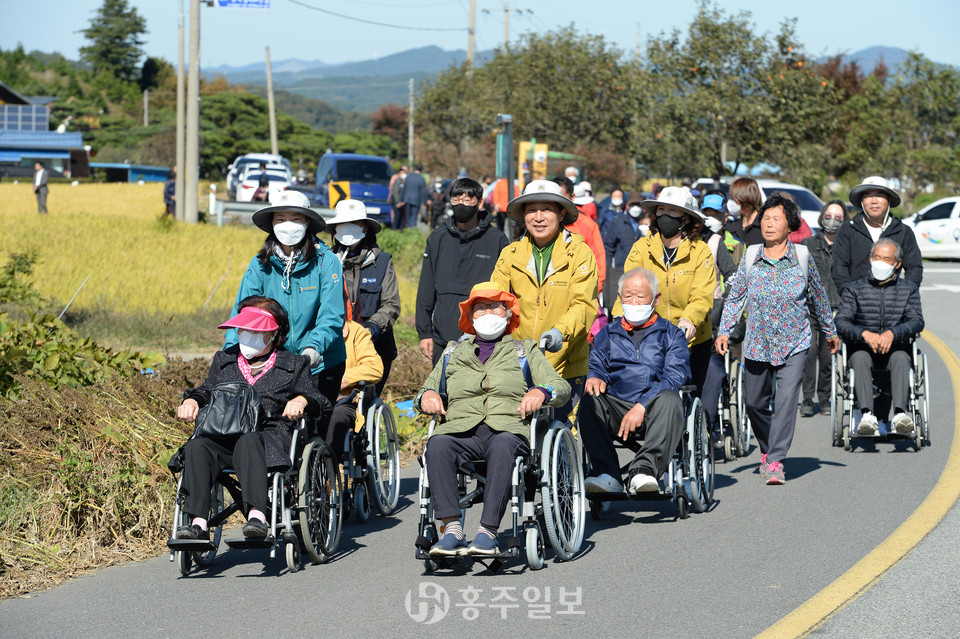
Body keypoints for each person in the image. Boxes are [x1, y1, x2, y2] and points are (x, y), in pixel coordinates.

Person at [418, 283, 570, 556]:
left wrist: (541, 390)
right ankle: (452, 531)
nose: (488, 313)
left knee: (502, 445)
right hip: (461, 429)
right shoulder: (453, 352)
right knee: (437, 445)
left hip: (508, 428)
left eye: (495, 307)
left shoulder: (525, 350)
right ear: (470, 316)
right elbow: (424, 391)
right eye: (480, 307)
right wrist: (427, 395)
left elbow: (561, 387)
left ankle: (487, 533)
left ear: (508, 314)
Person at [175, 296, 330, 540]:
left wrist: (301, 401)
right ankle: (198, 522)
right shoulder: (225, 360)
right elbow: (205, 390)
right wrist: (191, 401)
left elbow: (319, 401)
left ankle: (257, 516)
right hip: (225, 435)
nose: (245, 334)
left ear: (272, 333)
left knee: (248, 440)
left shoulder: (293, 363)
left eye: (253, 330)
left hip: (269, 437)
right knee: (196, 446)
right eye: (242, 329)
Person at [716, 193, 839, 485]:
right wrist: (725, 330)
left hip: (795, 341)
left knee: (785, 402)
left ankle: (775, 461)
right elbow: (736, 297)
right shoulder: (750, 255)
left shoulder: (802, 256)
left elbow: (818, 297)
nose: (769, 225)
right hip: (757, 343)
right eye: (766, 219)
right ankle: (767, 447)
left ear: (790, 225)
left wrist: (829, 331)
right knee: (754, 403)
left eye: (776, 219)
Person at [490, 180, 598, 424]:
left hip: (565, 361)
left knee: (563, 434)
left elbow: (583, 305)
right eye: (531, 210)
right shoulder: (510, 254)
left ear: (561, 213)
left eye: (546, 209)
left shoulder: (580, 253)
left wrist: (560, 332)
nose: (538, 217)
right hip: (519, 362)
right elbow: (496, 299)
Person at [227, 190, 346, 407]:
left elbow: (332, 314)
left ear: (307, 223)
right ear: (272, 223)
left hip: (320, 361)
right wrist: (229, 353)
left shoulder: (326, 263)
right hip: (275, 363)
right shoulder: (260, 264)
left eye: (296, 219)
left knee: (315, 427)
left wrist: (313, 349)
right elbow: (242, 314)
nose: (288, 225)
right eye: (281, 219)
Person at [579, 268, 690, 495]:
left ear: (656, 299)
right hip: (617, 405)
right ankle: (608, 474)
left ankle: (644, 470)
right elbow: (597, 364)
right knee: (589, 402)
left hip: (656, 407)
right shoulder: (607, 334)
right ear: (619, 298)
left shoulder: (672, 334)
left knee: (671, 399)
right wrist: (595, 376)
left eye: (641, 296)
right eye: (628, 296)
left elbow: (675, 376)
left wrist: (642, 405)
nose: (634, 301)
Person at [613, 187, 717, 399]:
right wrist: (618, 319)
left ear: (686, 218)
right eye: (661, 209)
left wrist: (689, 320)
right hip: (649, 338)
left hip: (691, 341)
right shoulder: (641, 248)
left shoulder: (700, 251)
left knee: (694, 398)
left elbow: (701, 295)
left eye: (673, 210)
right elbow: (626, 289)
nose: (665, 215)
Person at [834, 239, 924, 436]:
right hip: (862, 348)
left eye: (886, 259)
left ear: (897, 263)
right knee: (859, 358)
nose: (880, 263)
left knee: (901, 358)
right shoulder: (854, 289)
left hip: (896, 348)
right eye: (877, 258)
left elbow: (917, 321)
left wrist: (893, 333)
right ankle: (866, 414)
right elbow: (841, 322)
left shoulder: (908, 289)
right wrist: (864, 334)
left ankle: (900, 415)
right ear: (870, 259)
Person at [416, 177, 509, 365]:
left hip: (484, 336)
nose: (461, 204)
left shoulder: (497, 240)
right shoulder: (437, 239)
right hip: (443, 336)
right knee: (441, 391)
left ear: (479, 202)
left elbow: (506, 291)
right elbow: (426, 288)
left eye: (467, 200)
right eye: (456, 199)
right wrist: (425, 332)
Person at [326, 199, 400, 395]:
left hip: (374, 347)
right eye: (343, 224)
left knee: (364, 405)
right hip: (334, 347)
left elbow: (391, 304)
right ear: (335, 229)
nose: (348, 229)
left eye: (355, 223)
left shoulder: (382, 261)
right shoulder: (326, 262)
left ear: (365, 227)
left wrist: (371, 327)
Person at [695, 192, 740, 440]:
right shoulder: (661, 243)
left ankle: (705, 427)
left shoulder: (715, 242)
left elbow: (733, 277)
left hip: (711, 319)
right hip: (674, 325)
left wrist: (731, 311)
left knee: (713, 370)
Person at [832, 176, 923, 294]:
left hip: (893, 304)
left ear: (889, 200)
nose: (874, 201)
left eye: (880, 195)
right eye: (868, 196)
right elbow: (839, 266)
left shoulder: (903, 231)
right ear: (861, 201)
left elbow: (914, 267)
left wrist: (905, 295)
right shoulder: (848, 229)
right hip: (855, 303)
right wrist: (849, 295)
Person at [799, 200, 847, 417]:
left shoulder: (846, 246)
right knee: (808, 355)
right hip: (810, 309)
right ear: (821, 217)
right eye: (829, 216)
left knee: (828, 356)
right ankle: (807, 399)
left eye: (838, 217)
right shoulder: (808, 244)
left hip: (835, 308)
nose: (832, 221)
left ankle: (825, 399)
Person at [327, 307, 384, 460]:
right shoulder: (304, 332)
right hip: (313, 398)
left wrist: (344, 379)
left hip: (344, 400)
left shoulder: (356, 331)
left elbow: (375, 368)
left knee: (335, 418)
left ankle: (327, 474)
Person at [554, 176, 606, 297]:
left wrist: (592, 292)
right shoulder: (539, 225)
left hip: (580, 294)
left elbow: (598, 259)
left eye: (561, 197)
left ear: (572, 197)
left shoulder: (588, 225)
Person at [602, 192, 648, 316]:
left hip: (642, 270)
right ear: (627, 205)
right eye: (633, 204)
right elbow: (609, 247)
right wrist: (608, 271)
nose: (635, 208)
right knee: (620, 303)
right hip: (620, 269)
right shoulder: (618, 223)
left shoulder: (647, 222)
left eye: (638, 204)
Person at [724, 177, 764, 246]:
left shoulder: (765, 226)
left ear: (744, 197)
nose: (731, 202)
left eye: (734, 199)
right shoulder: (733, 227)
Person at [400, 164, 427, 230]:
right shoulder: (421, 179)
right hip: (416, 200)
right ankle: (412, 231)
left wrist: (402, 199)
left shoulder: (408, 177)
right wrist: (424, 203)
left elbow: (404, 189)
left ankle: (407, 230)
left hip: (407, 199)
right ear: (421, 170)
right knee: (414, 217)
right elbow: (423, 192)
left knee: (408, 217)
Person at [388, 165, 407, 229]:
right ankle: (394, 230)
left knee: (400, 218)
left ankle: (399, 231)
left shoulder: (403, 181)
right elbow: (395, 192)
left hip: (401, 202)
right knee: (397, 218)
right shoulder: (397, 180)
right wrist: (398, 202)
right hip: (396, 202)